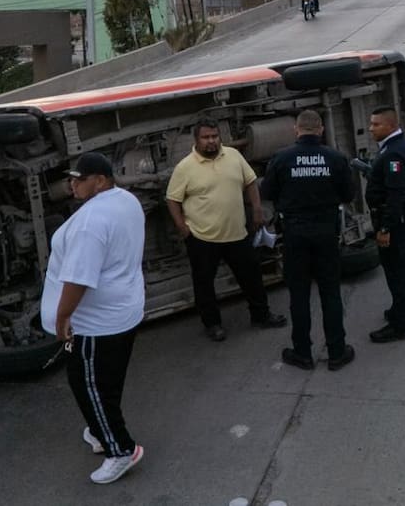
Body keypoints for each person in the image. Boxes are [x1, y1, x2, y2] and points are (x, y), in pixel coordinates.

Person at [40, 152, 145, 485]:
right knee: (107, 382)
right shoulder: (126, 201)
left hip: (95, 325)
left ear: (100, 180)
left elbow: (79, 279)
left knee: (88, 386)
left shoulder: (91, 222)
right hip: (124, 313)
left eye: (79, 179)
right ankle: (100, 430)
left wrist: (62, 318)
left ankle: (120, 450)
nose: (72, 184)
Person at [167, 119, 287, 341]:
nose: (211, 141)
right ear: (196, 140)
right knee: (204, 285)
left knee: (252, 277)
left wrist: (257, 209)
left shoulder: (233, 155)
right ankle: (213, 325)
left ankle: (261, 315)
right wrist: (182, 228)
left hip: (237, 234)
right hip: (202, 238)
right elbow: (172, 199)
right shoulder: (185, 167)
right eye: (206, 137)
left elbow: (250, 181)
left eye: (214, 136)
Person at [260, 110, 356, 371]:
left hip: (295, 234)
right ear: (321, 129)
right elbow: (348, 194)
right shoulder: (336, 158)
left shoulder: (282, 158)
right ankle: (337, 352)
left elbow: (266, 192)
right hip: (326, 233)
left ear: (296, 130)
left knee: (299, 294)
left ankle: (302, 352)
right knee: (330, 292)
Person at [365, 107, 405, 343]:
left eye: (376, 124)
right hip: (403, 219)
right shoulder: (399, 145)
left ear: (390, 125)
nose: (371, 128)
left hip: (394, 223)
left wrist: (385, 229)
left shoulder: (393, 155)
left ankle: (399, 327)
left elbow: (395, 196)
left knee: (395, 272)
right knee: (400, 269)